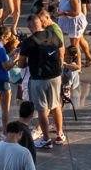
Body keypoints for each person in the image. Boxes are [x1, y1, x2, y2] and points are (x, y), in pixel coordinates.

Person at [18, 14, 64, 148]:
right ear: (41, 24)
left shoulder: (29, 42)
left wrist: (29, 60)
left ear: (29, 26)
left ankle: (46, 139)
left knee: (42, 109)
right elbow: (61, 54)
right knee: (56, 106)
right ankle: (59, 135)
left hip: (39, 79)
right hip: (55, 77)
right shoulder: (53, 35)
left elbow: (21, 64)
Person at [57, 0, 91, 66]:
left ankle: (78, 65)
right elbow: (65, 4)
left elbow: (76, 12)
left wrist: (62, 13)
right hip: (71, 23)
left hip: (75, 24)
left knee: (74, 46)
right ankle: (89, 58)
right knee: (81, 40)